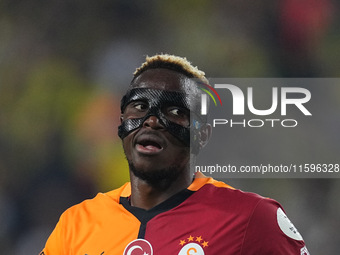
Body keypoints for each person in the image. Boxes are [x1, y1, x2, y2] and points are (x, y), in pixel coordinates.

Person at [40, 54, 309, 255]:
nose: (152, 120)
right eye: (140, 106)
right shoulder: (76, 224)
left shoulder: (252, 217)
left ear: (202, 135)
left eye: (176, 111)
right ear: (122, 124)